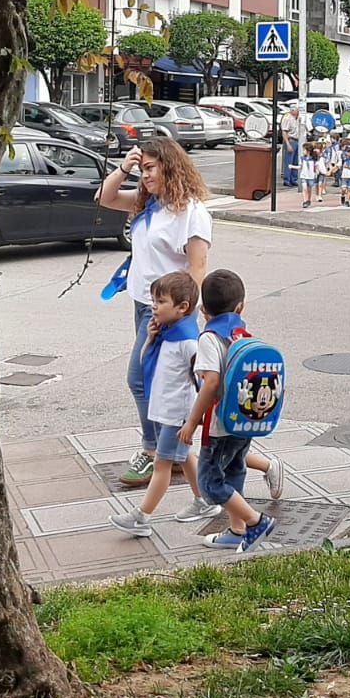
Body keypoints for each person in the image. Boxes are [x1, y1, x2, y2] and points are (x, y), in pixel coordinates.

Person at [97, 139, 211, 488]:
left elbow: (197, 269)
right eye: (142, 168)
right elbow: (104, 197)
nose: (144, 175)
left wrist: (176, 314)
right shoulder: (150, 204)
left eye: (150, 168)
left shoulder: (191, 213)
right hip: (142, 304)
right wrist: (124, 168)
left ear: (170, 167)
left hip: (168, 312)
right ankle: (172, 452)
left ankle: (154, 450)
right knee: (156, 382)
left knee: (140, 379)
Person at [110, 273, 222, 536]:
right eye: (153, 300)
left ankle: (141, 517)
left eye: (161, 301)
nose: (154, 306)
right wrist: (150, 339)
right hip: (163, 410)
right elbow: (146, 363)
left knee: (162, 464)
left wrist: (195, 418)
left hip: (177, 414)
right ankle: (204, 501)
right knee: (185, 458)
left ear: (182, 308)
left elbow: (204, 379)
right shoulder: (166, 334)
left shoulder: (188, 341)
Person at [180, 269, 276, 551]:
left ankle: (255, 521)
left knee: (209, 483)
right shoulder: (242, 334)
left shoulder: (210, 338)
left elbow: (211, 384)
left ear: (203, 310)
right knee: (234, 473)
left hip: (220, 425)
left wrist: (191, 422)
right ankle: (237, 530)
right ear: (241, 307)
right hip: (244, 422)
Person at [280, 104, 305, 188]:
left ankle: (293, 179)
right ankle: (287, 179)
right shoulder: (287, 118)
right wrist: (287, 144)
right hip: (291, 140)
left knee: (295, 161)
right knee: (289, 161)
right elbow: (284, 132)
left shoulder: (298, 118)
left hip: (298, 140)